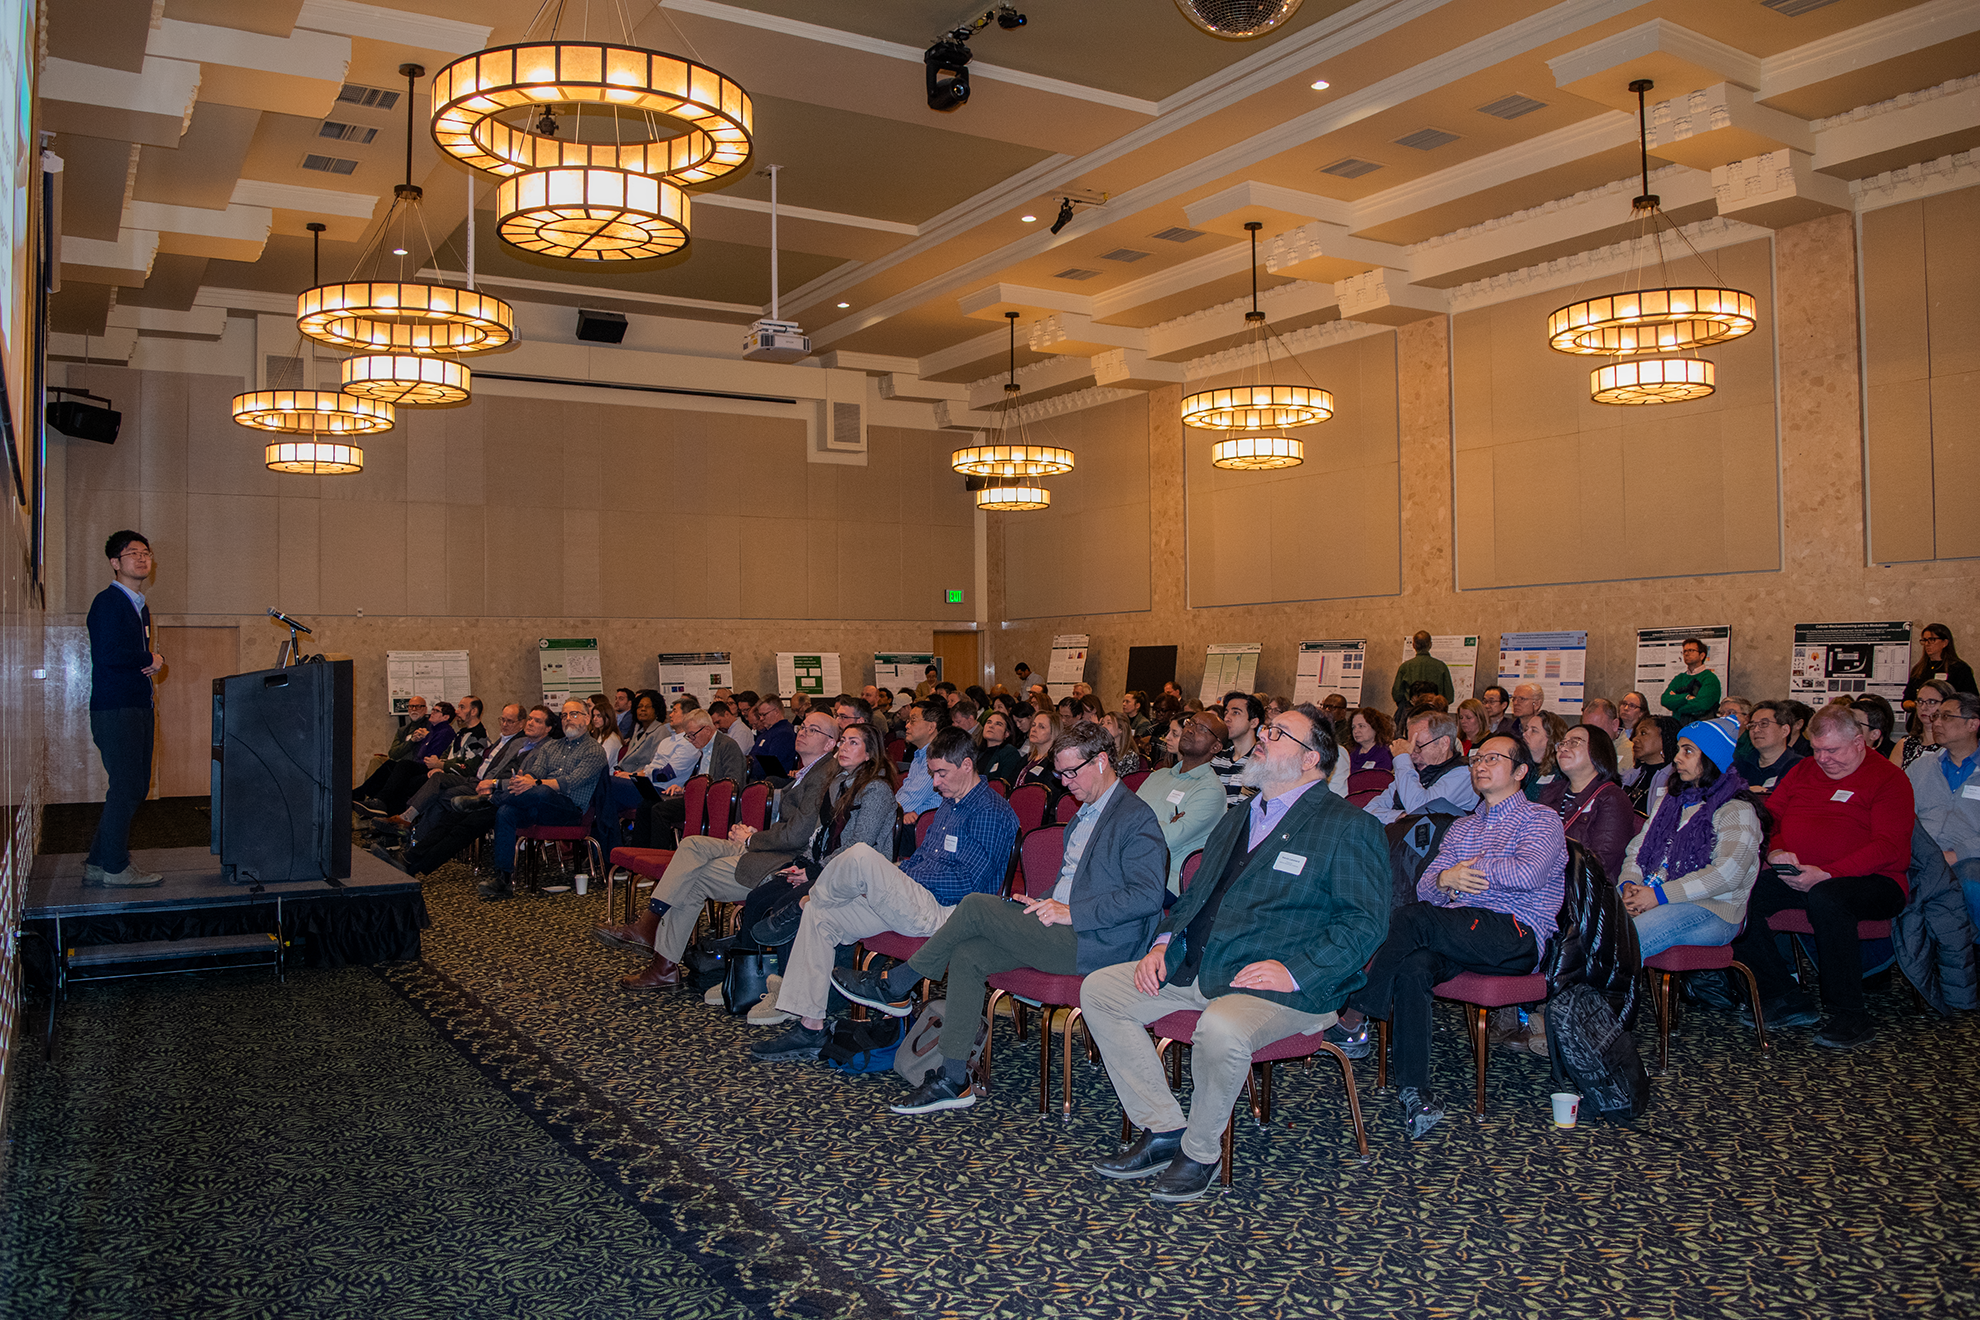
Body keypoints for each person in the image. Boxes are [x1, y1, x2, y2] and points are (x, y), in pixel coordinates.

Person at [1081, 703, 1388, 1199]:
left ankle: (1200, 1151)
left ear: (1311, 759)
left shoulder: (1348, 826)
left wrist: (1294, 971)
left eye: (1278, 733)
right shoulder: (1241, 814)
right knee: (1100, 991)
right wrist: (1163, 942)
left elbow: (1365, 924)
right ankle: (1163, 1127)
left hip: (1285, 988)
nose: (1263, 736)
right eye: (1266, 728)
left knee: (1221, 1026)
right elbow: (1197, 894)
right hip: (1203, 966)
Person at [834, 722, 1169, 1114]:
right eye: (1059, 773)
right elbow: (1072, 882)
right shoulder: (1085, 814)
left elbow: (1146, 897)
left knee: (976, 904)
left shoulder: (1135, 817)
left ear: (1101, 761)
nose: (1064, 782)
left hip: (1097, 941)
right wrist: (1040, 901)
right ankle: (954, 1078)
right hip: (1059, 926)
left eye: (1071, 772)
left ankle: (899, 983)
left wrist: (1071, 912)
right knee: (970, 955)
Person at [1335, 732, 1567, 1139]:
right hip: (1463, 931)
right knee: (1413, 965)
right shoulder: (1463, 827)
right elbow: (1427, 885)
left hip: (1516, 933)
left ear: (1521, 771)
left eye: (1493, 758)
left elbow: (1529, 873)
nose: (1479, 765)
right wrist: (1447, 877)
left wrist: (1471, 871)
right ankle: (1416, 1092)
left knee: (1411, 920)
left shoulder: (1541, 819)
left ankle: (1355, 1014)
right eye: (1477, 758)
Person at [750, 727, 1020, 1063]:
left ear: (967, 765)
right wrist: (897, 877)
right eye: (933, 773)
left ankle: (806, 898)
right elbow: (922, 860)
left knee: (862, 854)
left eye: (941, 774)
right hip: (914, 901)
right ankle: (811, 1025)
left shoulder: (990, 812)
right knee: (822, 916)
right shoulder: (951, 803)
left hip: (946, 913)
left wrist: (897, 879)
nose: (935, 783)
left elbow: (968, 884)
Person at [603, 711, 846, 991]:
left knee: (693, 876)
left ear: (830, 744)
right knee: (692, 844)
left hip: (782, 861)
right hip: (769, 847)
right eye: (803, 726)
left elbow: (798, 835)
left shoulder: (823, 775)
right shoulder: (807, 772)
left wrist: (752, 839)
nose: (802, 732)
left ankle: (662, 962)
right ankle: (650, 923)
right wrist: (753, 836)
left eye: (813, 730)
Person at [1731, 704, 1915, 1049]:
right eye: (1816, 749)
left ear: (1860, 742)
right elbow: (1773, 818)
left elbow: (1889, 846)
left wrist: (1830, 873)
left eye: (1832, 750)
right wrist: (1777, 851)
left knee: (1827, 898)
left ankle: (1850, 1014)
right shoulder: (1803, 770)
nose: (1823, 759)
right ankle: (1783, 996)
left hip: (1875, 880)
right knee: (1739, 894)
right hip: (1804, 873)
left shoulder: (1889, 779)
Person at [1617, 717, 1762, 959]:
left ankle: (1595, 996)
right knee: (1594, 921)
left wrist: (1658, 896)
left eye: (1688, 751)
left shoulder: (1736, 809)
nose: (1676, 758)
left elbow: (1727, 874)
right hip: (1656, 893)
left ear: (1711, 758)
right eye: (1679, 749)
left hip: (1713, 908)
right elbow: (1638, 849)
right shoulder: (1670, 801)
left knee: (1625, 937)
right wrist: (1629, 885)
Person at [84, 531, 166, 888]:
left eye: (145, 552)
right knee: (128, 786)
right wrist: (150, 658)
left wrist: (152, 661)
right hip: (117, 708)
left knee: (130, 785)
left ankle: (98, 863)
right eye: (132, 553)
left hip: (136, 704)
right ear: (115, 563)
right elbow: (109, 655)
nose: (141, 558)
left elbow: (134, 659)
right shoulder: (108, 602)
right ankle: (116, 868)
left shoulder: (138, 604)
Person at [1133, 710, 1229, 895]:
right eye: (1190, 723)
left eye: (1202, 729)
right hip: (1133, 869)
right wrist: (1164, 823)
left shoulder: (1210, 790)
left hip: (1166, 882)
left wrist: (1144, 825)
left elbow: (1166, 839)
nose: (1191, 730)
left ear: (1216, 747)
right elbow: (1125, 817)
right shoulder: (1158, 776)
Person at [1910, 692, 1980, 930]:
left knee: (1971, 881)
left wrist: (1958, 853)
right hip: (1921, 857)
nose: (1936, 722)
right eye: (1936, 716)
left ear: (1973, 724)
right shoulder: (1920, 768)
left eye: (1947, 717)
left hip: (1970, 858)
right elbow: (1902, 816)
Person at [1364, 709, 1480, 824]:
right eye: (1410, 747)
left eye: (1418, 746)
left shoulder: (1464, 774)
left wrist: (1402, 759)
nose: (1412, 755)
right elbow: (1368, 811)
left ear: (1444, 743)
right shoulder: (1412, 770)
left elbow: (1420, 810)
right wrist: (1398, 816)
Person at [895, 698, 951, 826]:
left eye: (913, 721)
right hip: (920, 817)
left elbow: (910, 798)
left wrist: (887, 808)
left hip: (935, 823)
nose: (907, 725)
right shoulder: (920, 754)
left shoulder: (937, 756)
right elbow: (907, 790)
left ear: (931, 727)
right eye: (908, 720)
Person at [1904, 625, 1974, 719]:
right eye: (1924, 640)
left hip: (1948, 723)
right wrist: (1920, 705)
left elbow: (1971, 701)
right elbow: (1906, 701)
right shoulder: (1919, 669)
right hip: (1920, 725)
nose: (1927, 644)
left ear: (1945, 642)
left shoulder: (1959, 668)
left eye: (1932, 639)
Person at [1212, 693, 1264, 806]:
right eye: (1226, 712)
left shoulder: (1261, 760)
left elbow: (1244, 809)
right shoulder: (1218, 759)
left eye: (1236, 713)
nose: (1226, 718)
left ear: (1254, 722)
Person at [1624, 716, 1679, 814]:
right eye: (1636, 734)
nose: (1635, 739)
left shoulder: (1674, 780)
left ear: (1664, 738)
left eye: (1643, 733)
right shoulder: (1631, 775)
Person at [1392, 631, 1454, 719]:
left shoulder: (1405, 667)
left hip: (1411, 715)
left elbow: (1396, 695)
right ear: (1430, 645)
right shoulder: (1441, 666)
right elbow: (1449, 697)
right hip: (1435, 716)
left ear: (1413, 645)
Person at [1660, 638, 1721, 721]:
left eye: (1691, 650)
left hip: (1700, 728)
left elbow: (1701, 705)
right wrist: (1687, 697)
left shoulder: (1710, 678)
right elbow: (1665, 700)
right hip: (1678, 727)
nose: (1686, 654)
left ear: (1702, 655)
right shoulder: (1679, 678)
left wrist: (1677, 707)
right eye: (1684, 651)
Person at [1014, 707, 1065, 795]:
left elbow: (1049, 795)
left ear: (1054, 732)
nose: (1034, 729)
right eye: (1033, 725)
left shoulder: (1054, 764)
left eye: (1041, 727)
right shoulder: (1026, 759)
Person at [1517, 710, 1568, 800]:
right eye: (1526, 729)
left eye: (1534, 731)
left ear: (1551, 738)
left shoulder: (1560, 775)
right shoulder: (1521, 766)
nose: (1524, 734)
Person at [1582, 696, 1633, 773]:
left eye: (1598, 730)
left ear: (1615, 725)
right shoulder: (1580, 749)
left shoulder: (1632, 754)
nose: (1591, 737)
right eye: (1587, 730)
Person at [976, 709, 1025, 786]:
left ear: (1007, 734)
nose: (991, 726)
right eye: (988, 722)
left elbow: (1003, 785)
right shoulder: (976, 751)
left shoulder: (1010, 753)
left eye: (998, 724)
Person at [1343, 708, 1395, 776]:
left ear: (1375, 727)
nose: (1355, 731)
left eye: (1361, 726)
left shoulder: (1385, 754)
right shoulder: (1352, 754)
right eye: (1353, 727)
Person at [1100, 711, 1144, 776]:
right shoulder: (1102, 751)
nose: (1103, 726)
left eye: (1108, 723)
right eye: (1102, 723)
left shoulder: (1130, 757)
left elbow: (1126, 782)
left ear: (1120, 729)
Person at [587, 697, 624, 770]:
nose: (595, 719)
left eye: (599, 716)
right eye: (594, 716)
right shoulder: (600, 735)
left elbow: (603, 764)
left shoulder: (611, 739)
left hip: (609, 777)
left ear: (608, 718)